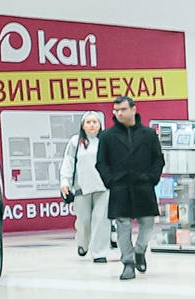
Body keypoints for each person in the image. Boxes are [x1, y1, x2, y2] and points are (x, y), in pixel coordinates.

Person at [96, 94, 164, 279]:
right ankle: (127, 262)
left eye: (123, 109)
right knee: (123, 227)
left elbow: (158, 158)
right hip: (120, 187)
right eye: (116, 110)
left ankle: (140, 250)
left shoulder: (148, 134)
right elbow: (101, 162)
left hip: (144, 185)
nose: (119, 113)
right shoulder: (107, 136)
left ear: (133, 110)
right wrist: (110, 180)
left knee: (148, 224)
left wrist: (152, 177)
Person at [60, 111, 111, 262]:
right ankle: (83, 243)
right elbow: (68, 162)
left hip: (103, 187)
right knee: (83, 221)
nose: (92, 125)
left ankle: (99, 253)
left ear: (100, 124)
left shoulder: (106, 141)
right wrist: (65, 182)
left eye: (95, 122)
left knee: (101, 220)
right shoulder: (75, 142)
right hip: (81, 188)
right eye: (88, 122)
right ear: (83, 125)